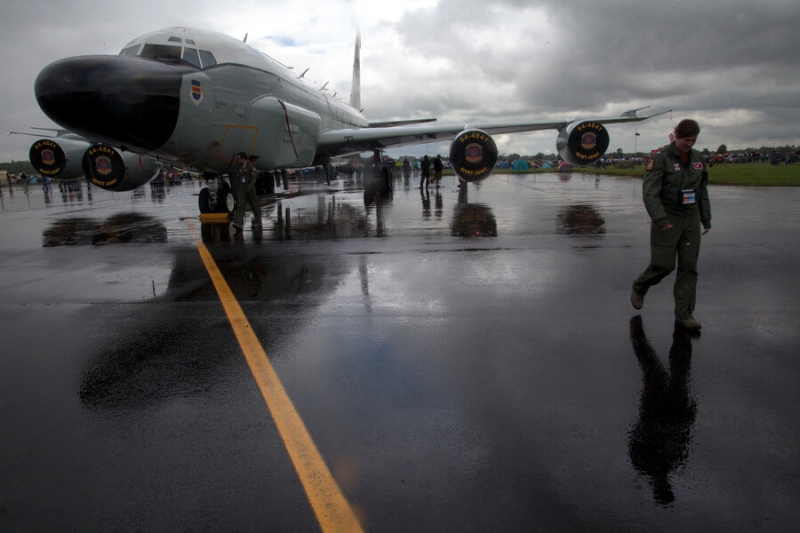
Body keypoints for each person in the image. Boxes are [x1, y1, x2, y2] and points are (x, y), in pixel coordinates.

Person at [631, 119, 711, 330]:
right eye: (686, 140)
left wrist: (706, 218)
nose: (689, 144)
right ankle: (640, 286)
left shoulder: (696, 158)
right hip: (668, 216)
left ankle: (685, 315)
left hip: (691, 216)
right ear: (676, 135)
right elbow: (650, 193)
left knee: (689, 268)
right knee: (664, 265)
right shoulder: (660, 159)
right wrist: (660, 219)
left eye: (693, 140)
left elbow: (702, 190)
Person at [232, 151, 261, 230]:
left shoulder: (251, 167)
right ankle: (238, 222)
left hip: (250, 189)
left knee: (254, 205)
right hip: (242, 189)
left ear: (243, 158)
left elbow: (253, 179)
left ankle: (257, 221)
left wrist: (249, 188)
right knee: (240, 206)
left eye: (239, 158)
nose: (237, 160)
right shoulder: (241, 168)